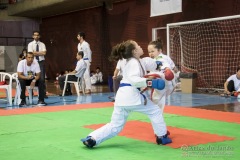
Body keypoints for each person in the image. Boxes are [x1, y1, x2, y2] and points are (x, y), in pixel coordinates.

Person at [81, 40, 172, 148]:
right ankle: (162, 137)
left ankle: (92, 138)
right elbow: (134, 80)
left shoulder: (139, 61)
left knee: (115, 126)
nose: (140, 46)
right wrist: (152, 82)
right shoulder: (133, 62)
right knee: (155, 111)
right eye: (138, 45)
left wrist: (165, 68)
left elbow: (155, 63)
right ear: (134, 51)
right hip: (132, 96)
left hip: (121, 98)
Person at [147, 38, 177, 112]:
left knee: (155, 100)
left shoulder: (159, 58)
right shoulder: (166, 57)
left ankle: (156, 115)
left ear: (160, 50)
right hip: (170, 84)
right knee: (160, 100)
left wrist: (167, 69)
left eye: (152, 51)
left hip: (162, 82)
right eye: (149, 52)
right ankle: (158, 114)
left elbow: (163, 64)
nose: (150, 53)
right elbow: (174, 68)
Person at [28, 31, 48, 98]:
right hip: (32, 62)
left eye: (37, 35)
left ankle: (43, 93)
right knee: (30, 77)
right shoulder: (30, 44)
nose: (36, 36)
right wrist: (40, 52)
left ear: (39, 36)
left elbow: (44, 53)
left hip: (41, 62)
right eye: (35, 35)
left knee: (42, 78)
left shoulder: (42, 44)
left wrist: (35, 52)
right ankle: (31, 93)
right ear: (33, 36)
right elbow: (31, 53)